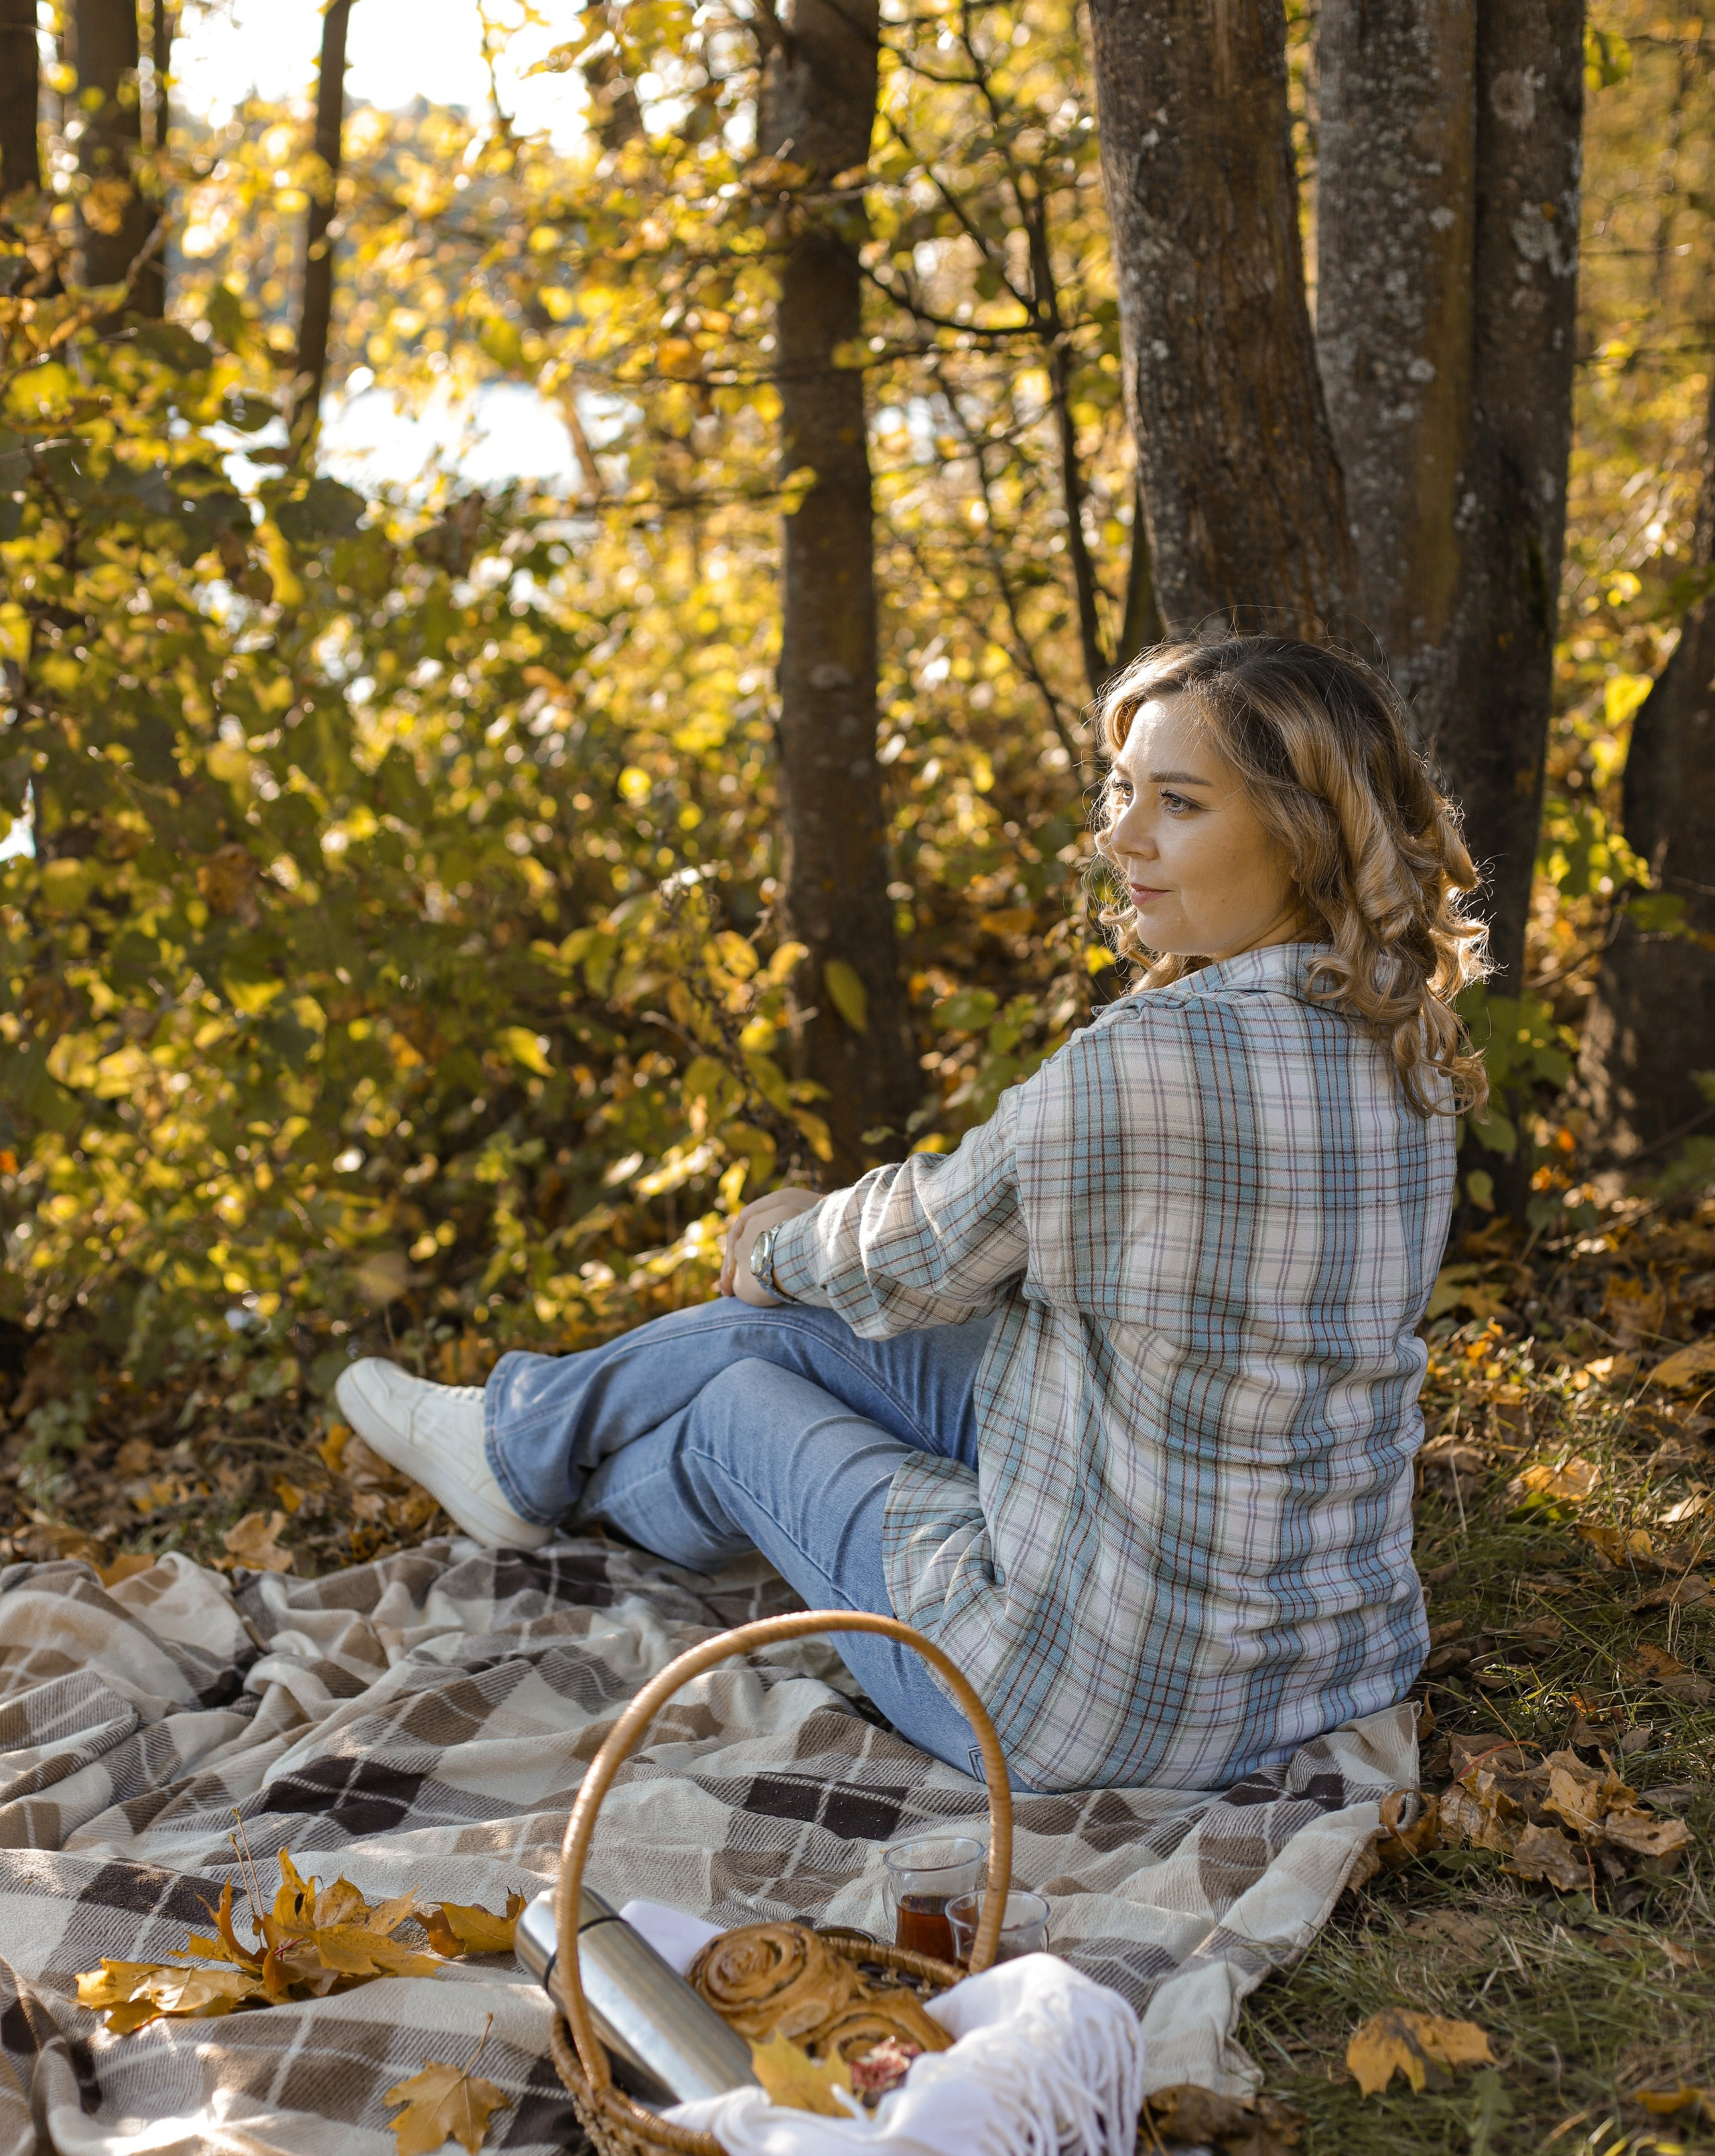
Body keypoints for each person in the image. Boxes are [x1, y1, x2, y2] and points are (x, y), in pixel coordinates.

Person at [338, 634, 1487, 1794]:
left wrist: (777, 1236)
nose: (1123, 836)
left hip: (1080, 1708)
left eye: (1177, 803)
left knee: (742, 1393)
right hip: (1333, 1667)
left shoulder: (1146, 1062)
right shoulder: (1410, 1043)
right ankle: (514, 1442)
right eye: (1124, 790)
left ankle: (540, 1476)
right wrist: (803, 1264)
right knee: (791, 1329)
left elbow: (915, 1256)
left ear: (1299, 832)